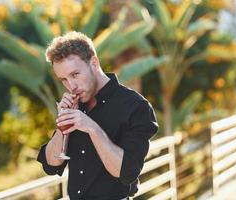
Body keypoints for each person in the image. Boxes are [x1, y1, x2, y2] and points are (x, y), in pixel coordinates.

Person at [37, 31, 158, 200]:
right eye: (63, 79)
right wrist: (62, 127)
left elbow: (124, 172)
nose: (71, 85)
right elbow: (51, 165)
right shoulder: (75, 105)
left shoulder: (136, 106)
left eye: (75, 74)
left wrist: (92, 127)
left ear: (94, 62)